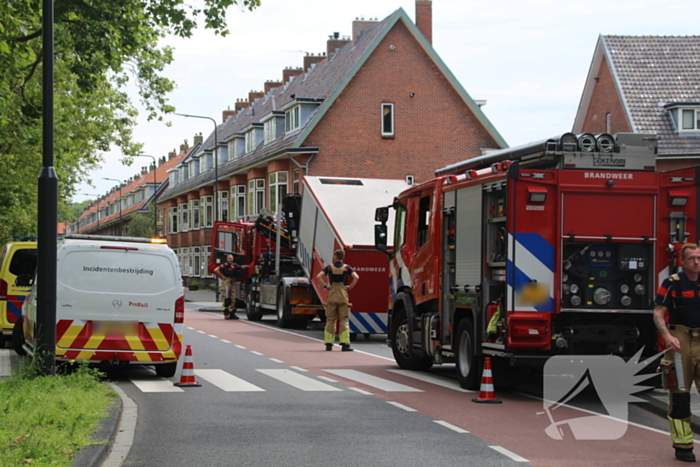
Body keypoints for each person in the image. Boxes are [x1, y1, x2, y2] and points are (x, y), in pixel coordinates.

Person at [654, 242, 700, 463]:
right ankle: (683, 447)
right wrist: (667, 337)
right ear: (682, 262)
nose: (697, 262)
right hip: (680, 339)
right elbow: (658, 313)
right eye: (692, 258)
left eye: (699, 258)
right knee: (680, 395)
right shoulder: (672, 284)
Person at [316, 249, 359, 351]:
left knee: (330, 319)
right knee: (344, 319)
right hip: (343, 294)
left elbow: (318, 276)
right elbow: (356, 277)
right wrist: (349, 287)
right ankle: (345, 344)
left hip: (332, 294)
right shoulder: (347, 268)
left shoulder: (330, 267)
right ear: (342, 257)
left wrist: (325, 286)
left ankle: (329, 344)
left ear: (335, 256)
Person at [214, 254, 248, 320]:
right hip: (227, 282)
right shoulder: (224, 265)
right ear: (227, 259)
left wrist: (249, 266)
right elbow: (216, 270)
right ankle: (226, 313)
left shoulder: (234, 265)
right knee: (227, 298)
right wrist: (222, 276)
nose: (230, 259)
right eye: (229, 258)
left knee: (234, 299)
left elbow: (241, 267)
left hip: (233, 282)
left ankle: (232, 313)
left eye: (231, 258)